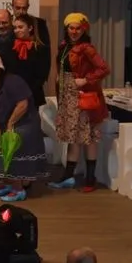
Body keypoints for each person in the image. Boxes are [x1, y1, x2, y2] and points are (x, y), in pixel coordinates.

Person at [50, 12, 111, 193]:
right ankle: (69, 176)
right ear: (66, 29)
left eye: (78, 28)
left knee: (88, 137)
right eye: (71, 28)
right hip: (68, 96)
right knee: (72, 137)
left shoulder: (87, 49)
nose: (74, 31)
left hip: (82, 97)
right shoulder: (64, 46)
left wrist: (86, 80)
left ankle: (90, 179)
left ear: (83, 29)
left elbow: (104, 68)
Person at [0, 54, 50, 202]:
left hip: (25, 123)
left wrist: (10, 124)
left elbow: (23, 104)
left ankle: (18, 189)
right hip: (6, 123)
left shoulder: (13, 81)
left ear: (0, 69)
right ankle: (9, 183)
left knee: (11, 145)